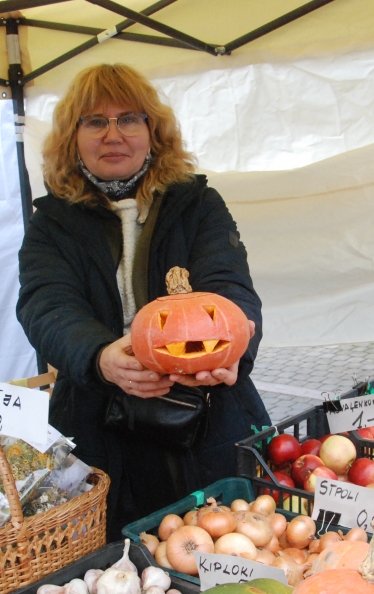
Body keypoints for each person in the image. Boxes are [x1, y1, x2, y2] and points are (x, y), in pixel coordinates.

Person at [16, 64, 270, 539]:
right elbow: (45, 305)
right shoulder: (52, 223)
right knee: (114, 559)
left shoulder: (197, 205)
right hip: (100, 425)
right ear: (73, 137)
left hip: (208, 416)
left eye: (129, 119)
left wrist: (234, 350)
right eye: (95, 122)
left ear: (154, 132)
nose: (113, 134)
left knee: (226, 545)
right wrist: (98, 356)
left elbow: (230, 288)